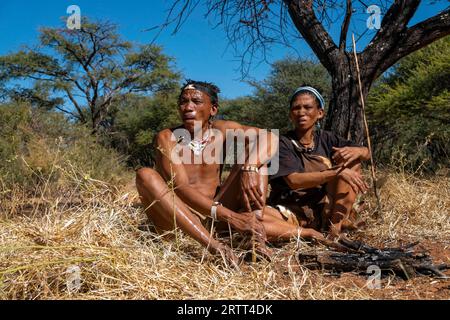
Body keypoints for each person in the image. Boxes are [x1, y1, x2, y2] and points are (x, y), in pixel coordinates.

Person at [135, 80, 278, 267]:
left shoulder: (222, 130)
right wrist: (232, 217)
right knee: (145, 174)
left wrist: (249, 167)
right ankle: (215, 248)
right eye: (183, 102)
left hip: (214, 218)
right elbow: (181, 187)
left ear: (213, 109)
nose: (188, 107)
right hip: (179, 220)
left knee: (256, 159)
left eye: (196, 101)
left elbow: (269, 137)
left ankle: (255, 237)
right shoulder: (167, 137)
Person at [265, 85, 371, 240]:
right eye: (296, 108)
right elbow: (294, 181)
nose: (301, 112)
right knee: (253, 217)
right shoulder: (281, 143)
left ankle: (335, 226)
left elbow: (366, 153)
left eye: (308, 107)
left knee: (352, 160)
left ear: (320, 113)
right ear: (290, 115)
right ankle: (305, 233)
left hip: (324, 208)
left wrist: (361, 151)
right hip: (291, 210)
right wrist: (337, 172)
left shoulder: (327, 139)